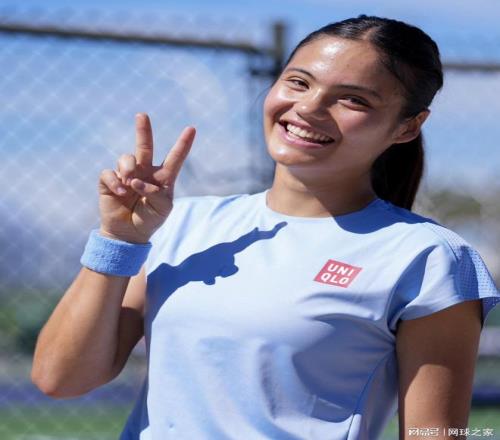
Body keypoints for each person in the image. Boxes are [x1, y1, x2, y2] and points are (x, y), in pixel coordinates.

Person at [31, 14, 500, 440]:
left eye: (353, 99)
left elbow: (435, 434)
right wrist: (119, 240)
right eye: (298, 82)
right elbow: (61, 379)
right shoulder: (180, 224)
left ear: (407, 127)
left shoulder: (428, 257)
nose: (309, 108)